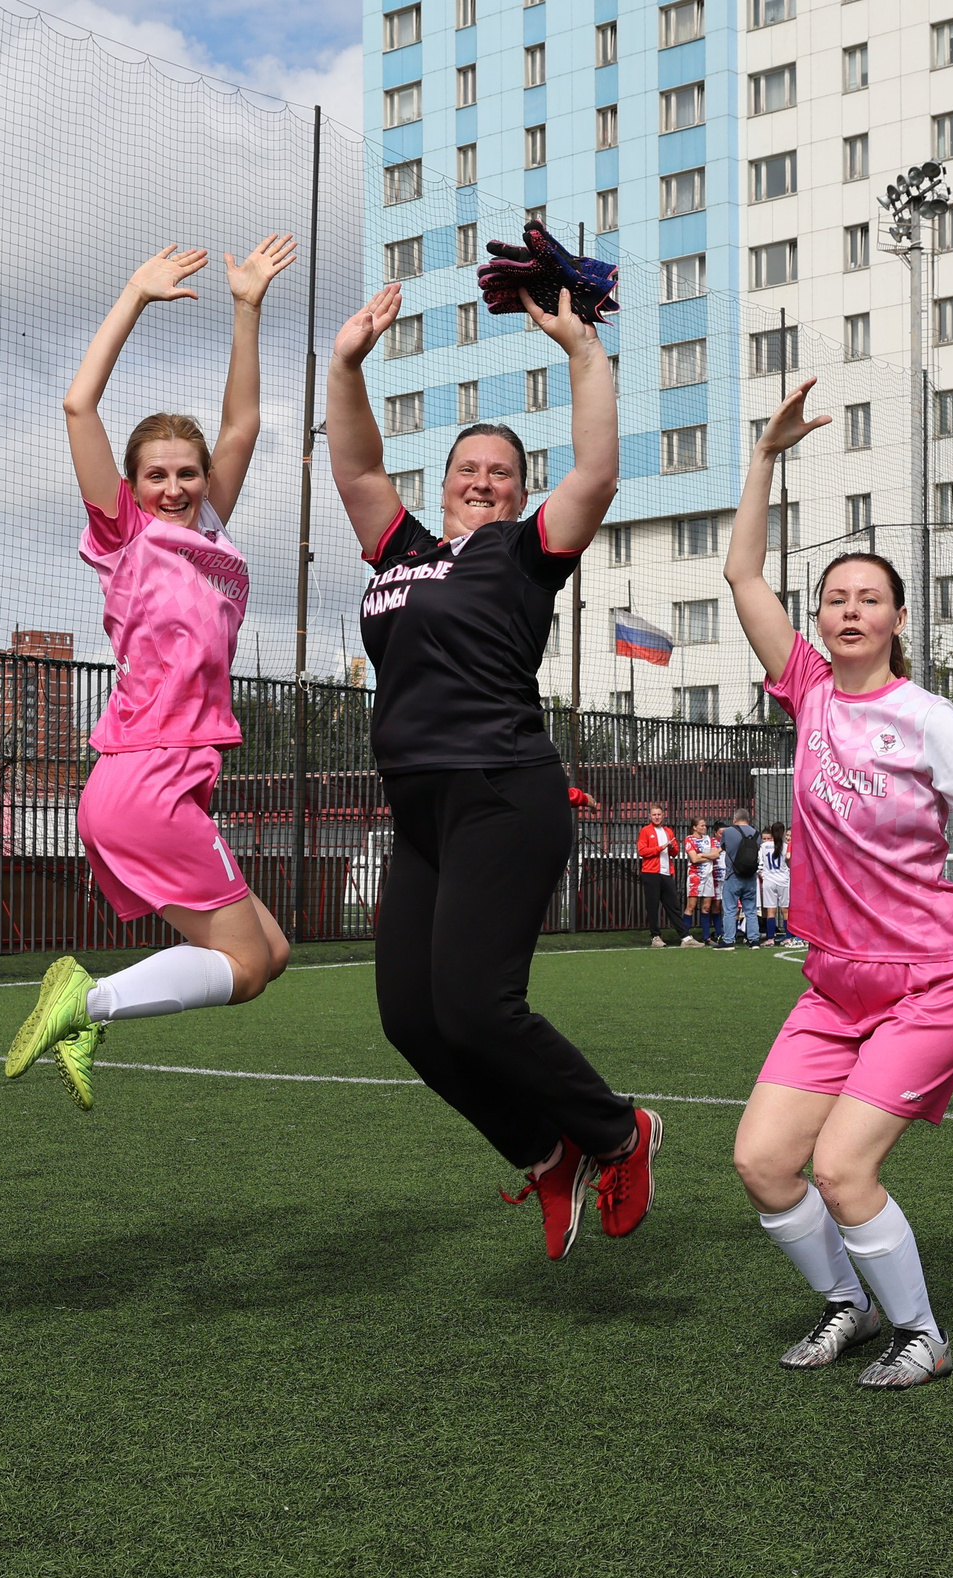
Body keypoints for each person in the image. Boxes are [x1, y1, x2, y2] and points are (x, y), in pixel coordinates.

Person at [724, 383, 953, 1389]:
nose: (847, 611)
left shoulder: (928, 719)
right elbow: (742, 571)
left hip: (927, 982)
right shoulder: (807, 688)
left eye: (867, 599)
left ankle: (921, 1332)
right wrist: (765, 458)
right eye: (834, 599)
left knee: (841, 1167)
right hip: (835, 984)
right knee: (762, 1162)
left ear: (897, 619)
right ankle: (851, 1304)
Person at [326, 268, 665, 1263]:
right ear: (443, 484)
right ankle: (543, 1152)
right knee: (413, 1021)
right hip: (422, 814)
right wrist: (347, 364)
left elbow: (596, 474)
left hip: (503, 793)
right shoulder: (400, 552)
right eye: (468, 469)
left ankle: (615, 1131)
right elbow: (353, 469)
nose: (483, 480)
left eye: (501, 473)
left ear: (520, 491)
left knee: (476, 1008)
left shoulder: (523, 553)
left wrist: (582, 350)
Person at [4, 235, 299, 1109]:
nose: (172, 487)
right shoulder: (125, 537)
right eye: (155, 476)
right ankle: (85, 1002)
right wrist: (133, 295)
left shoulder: (209, 535)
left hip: (168, 776)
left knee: (270, 956)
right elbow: (77, 405)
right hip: (146, 774)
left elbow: (240, 425)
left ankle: (88, 1006)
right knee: (246, 962)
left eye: (186, 473)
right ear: (132, 486)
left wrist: (247, 306)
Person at [635, 806, 680, 947]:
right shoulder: (645, 831)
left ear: (663, 816)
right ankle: (655, 936)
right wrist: (661, 847)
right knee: (653, 906)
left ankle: (685, 936)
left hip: (666, 872)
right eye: (654, 815)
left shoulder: (668, 831)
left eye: (659, 814)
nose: (656, 817)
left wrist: (671, 848)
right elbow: (642, 851)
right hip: (651, 872)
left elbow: (675, 852)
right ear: (650, 816)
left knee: (673, 905)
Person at [717, 806, 761, 949]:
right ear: (748, 819)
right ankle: (754, 940)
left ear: (735, 819)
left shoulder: (728, 832)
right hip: (750, 876)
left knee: (730, 909)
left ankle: (729, 940)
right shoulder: (756, 833)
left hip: (733, 875)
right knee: (751, 909)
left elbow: (723, 847)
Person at [683, 818, 719, 945]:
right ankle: (685, 937)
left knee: (706, 907)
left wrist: (701, 855)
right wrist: (707, 856)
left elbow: (716, 855)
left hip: (708, 876)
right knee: (691, 907)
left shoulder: (710, 839)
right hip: (695, 877)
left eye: (705, 825)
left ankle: (706, 937)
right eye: (702, 825)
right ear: (694, 827)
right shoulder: (689, 839)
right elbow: (693, 859)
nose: (705, 827)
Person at [758, 822, 791, 943]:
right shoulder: (786, 846)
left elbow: (759, 861)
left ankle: (770, 938)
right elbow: (789, 863)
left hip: (768, 881)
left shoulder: (764, 846)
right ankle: (788, 937)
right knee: (785, 910)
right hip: (783, 880)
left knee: (770, 910)